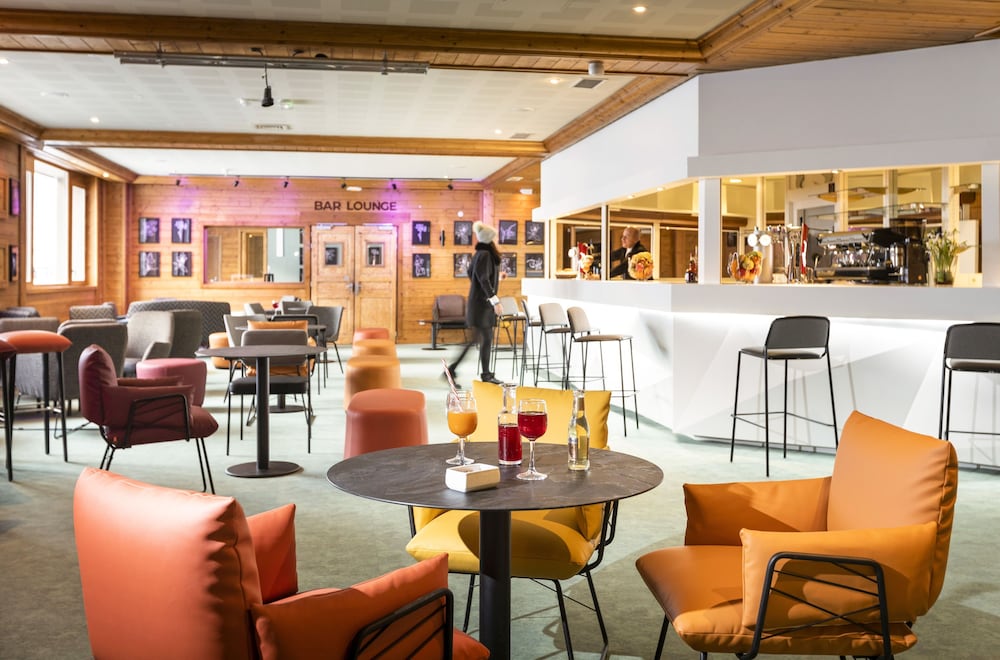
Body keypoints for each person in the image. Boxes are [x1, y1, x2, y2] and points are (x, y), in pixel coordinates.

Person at [445, 221, 504, 387]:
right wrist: (495, 301)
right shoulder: (485, 255)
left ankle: (454, 370)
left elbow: (477, 276)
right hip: (482, 306)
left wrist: (498, 278)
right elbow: (483, 279)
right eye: (494, 238)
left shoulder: (480, 254)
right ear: (489, 239)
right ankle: (483, 374)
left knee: (478, 340)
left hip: (479, 304)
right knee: (484, 339)